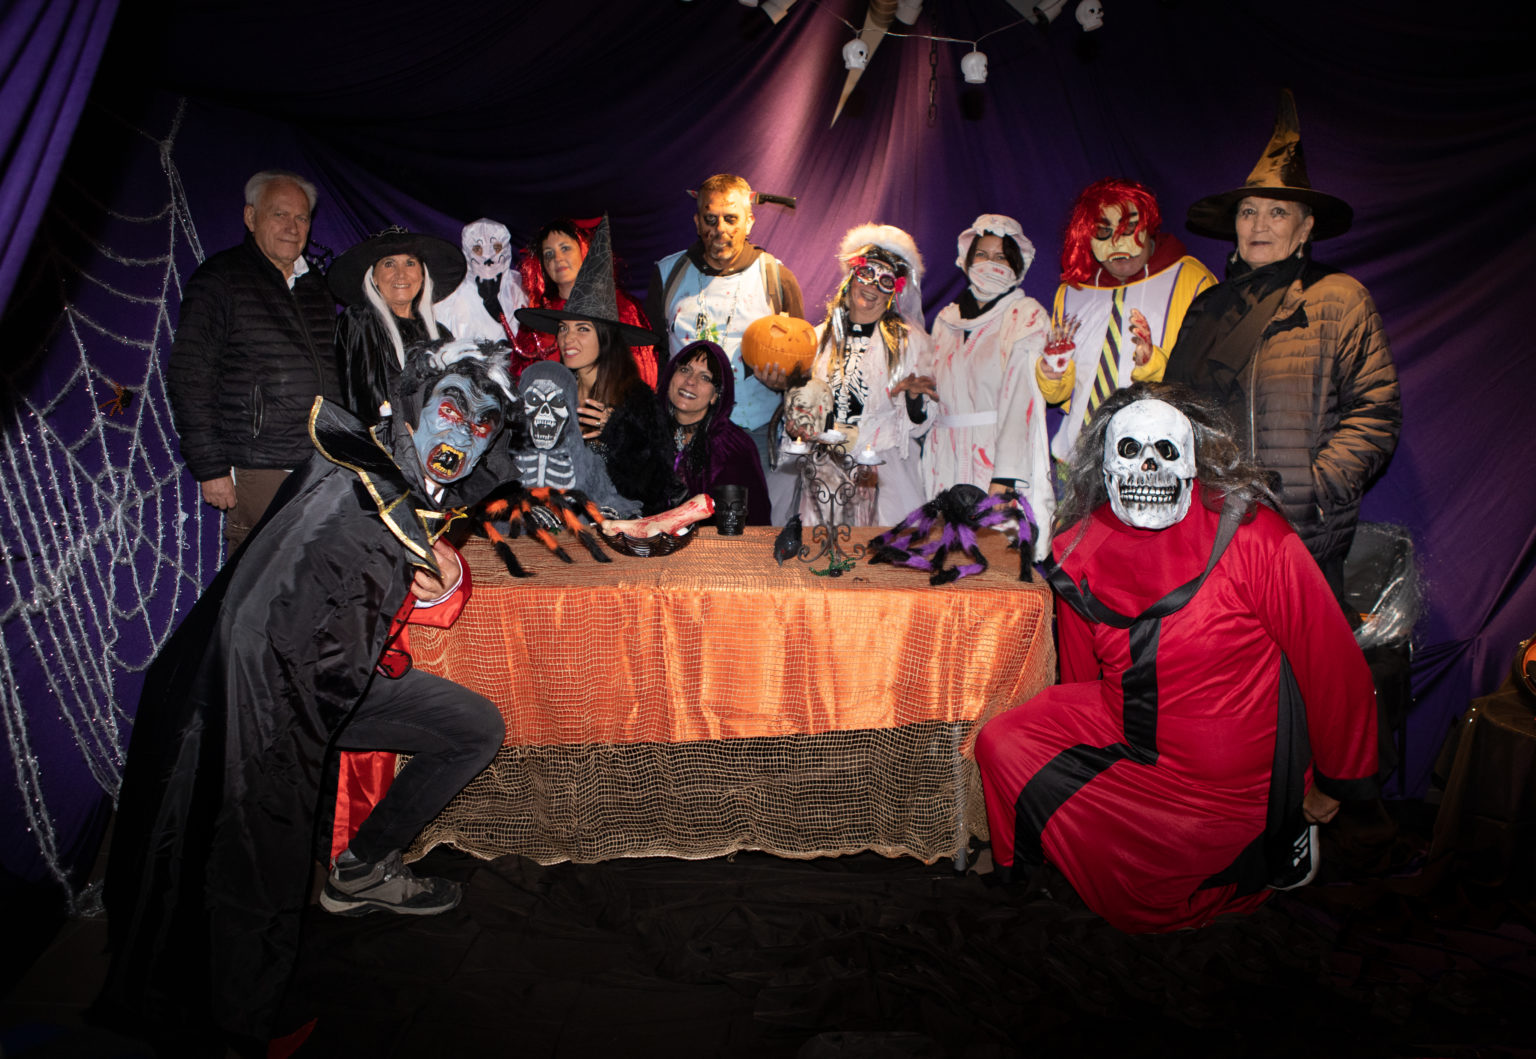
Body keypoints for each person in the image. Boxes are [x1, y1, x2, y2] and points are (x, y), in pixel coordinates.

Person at [102, 339, 518, 1049]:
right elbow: (262, 619)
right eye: (451, 410)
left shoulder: (404, 487)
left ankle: (361, 869)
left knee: (474, 727)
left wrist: (446, 581)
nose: (463, 435)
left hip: (342, 682)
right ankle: (235, 1022)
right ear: (413, 410)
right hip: (266, 694)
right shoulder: (352, 483)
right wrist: (280, 730)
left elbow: (412, 591)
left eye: (481, 426)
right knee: (259, 838)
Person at [974, 383, 1379, 933]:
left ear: (1193, 455)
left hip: (1235, 772)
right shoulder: (1079, 546)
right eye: (1130, 451)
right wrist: (1078, 768)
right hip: (1130, 733)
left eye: (1164, 450)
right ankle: (1053, 854)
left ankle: (1275, 840)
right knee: (1001, 741)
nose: (1147, 468)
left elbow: (1331, 663)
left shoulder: (1255, 537)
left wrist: (1335, 782)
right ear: (1106, 462)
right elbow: (1080, 676)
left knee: (1141, 905)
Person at [1166, 91, 1400, 602]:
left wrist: (1314, 490)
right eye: (1248, 211)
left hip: (1300, 534)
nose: (1259, 224)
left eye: (1277, 212)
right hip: (1206, 532)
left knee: (1300, 653)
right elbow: (1174, 412)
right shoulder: (1207, 309)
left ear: (1305, 226)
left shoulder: (1339, 298)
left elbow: (1376, 412)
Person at [167, 169, 340, 552]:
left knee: (312, 576)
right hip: (260, 467)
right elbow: (189, 376)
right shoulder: (220, 279)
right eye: (280, 214)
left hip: (320, 463)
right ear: (251, 217)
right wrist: (210, 467)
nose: (292, 227)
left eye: (302, 217)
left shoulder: (316, 286)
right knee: (258, 577)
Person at [1038, 178, 1217, 463]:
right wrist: (1052, 373)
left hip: (1155, 461)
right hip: (1078, 459)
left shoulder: (1191, 280)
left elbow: (1208, 380)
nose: (1117, 243)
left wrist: (1152, 364)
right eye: (1103, 231)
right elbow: (1061, 395)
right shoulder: (1072, 292)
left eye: (1129, 228)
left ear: (1148, 225)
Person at [644, 173, 805, 469]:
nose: (721, 229)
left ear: (749, 222)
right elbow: (650, 357)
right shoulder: (668, 274)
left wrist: (786, 382)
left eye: (731, 219)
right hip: (684, 433)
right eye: (711, 219)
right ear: (697, 222)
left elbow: (801, 362)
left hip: (754, 432)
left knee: (753, 501)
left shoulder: (776, 278)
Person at [516, 217, 675, 515]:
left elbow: (656, 486)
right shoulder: (552, 394)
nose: (568, 338)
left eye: (582, 329)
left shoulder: (637, 401)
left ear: (605, 338)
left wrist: (617, 433)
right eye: (563, 328)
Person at [782, 224, 932, 526]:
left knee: (880, 549)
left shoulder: (910, 343)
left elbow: (919, 426)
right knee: (823, 547)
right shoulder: (817, 339)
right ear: (852, 274)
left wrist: (914, 401)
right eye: (867, 273)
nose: (872, 287)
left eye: (885, 281)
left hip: (883, 472)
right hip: (824, 474)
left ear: (895, 289)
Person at [923, 214, 1054, 557]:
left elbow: (1022, 400)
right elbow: (934, 394)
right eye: (982, 254)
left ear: (1017, 265)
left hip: (996, 457)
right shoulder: (945, 320)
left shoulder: (1025, 316)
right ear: (966, 259)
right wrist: (915, 400)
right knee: (947, 555)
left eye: (1001, 257)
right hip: (945, 458)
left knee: (995, 559)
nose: (989, 264)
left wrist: (1005, 478)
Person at [331, 225, 465, 424]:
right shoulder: (361, 322)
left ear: (422, 275)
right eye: (389, 264)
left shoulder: (440, 334)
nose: (401, 274)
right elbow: (365, 398)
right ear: (374, 277)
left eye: (410, 263)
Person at [514, 217, 657, 385]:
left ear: (584, 251)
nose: (557, 258)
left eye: (565, 248)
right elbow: (519, 379)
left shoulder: (622, 308)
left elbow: (643, 373)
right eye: (549, 254)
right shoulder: (537, 319)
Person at [660, 339, 771, 524]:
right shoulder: (647, 429)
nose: (690, 381)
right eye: (685, 370)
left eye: (705, 378)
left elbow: (754, 520)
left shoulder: (732, 448)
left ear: (715, 395)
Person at [433, 216, 529, 345]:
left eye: (496, 248)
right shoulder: (452, 295)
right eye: (477, 249)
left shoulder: (519, 288)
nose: (488, 256)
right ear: (467, 252)